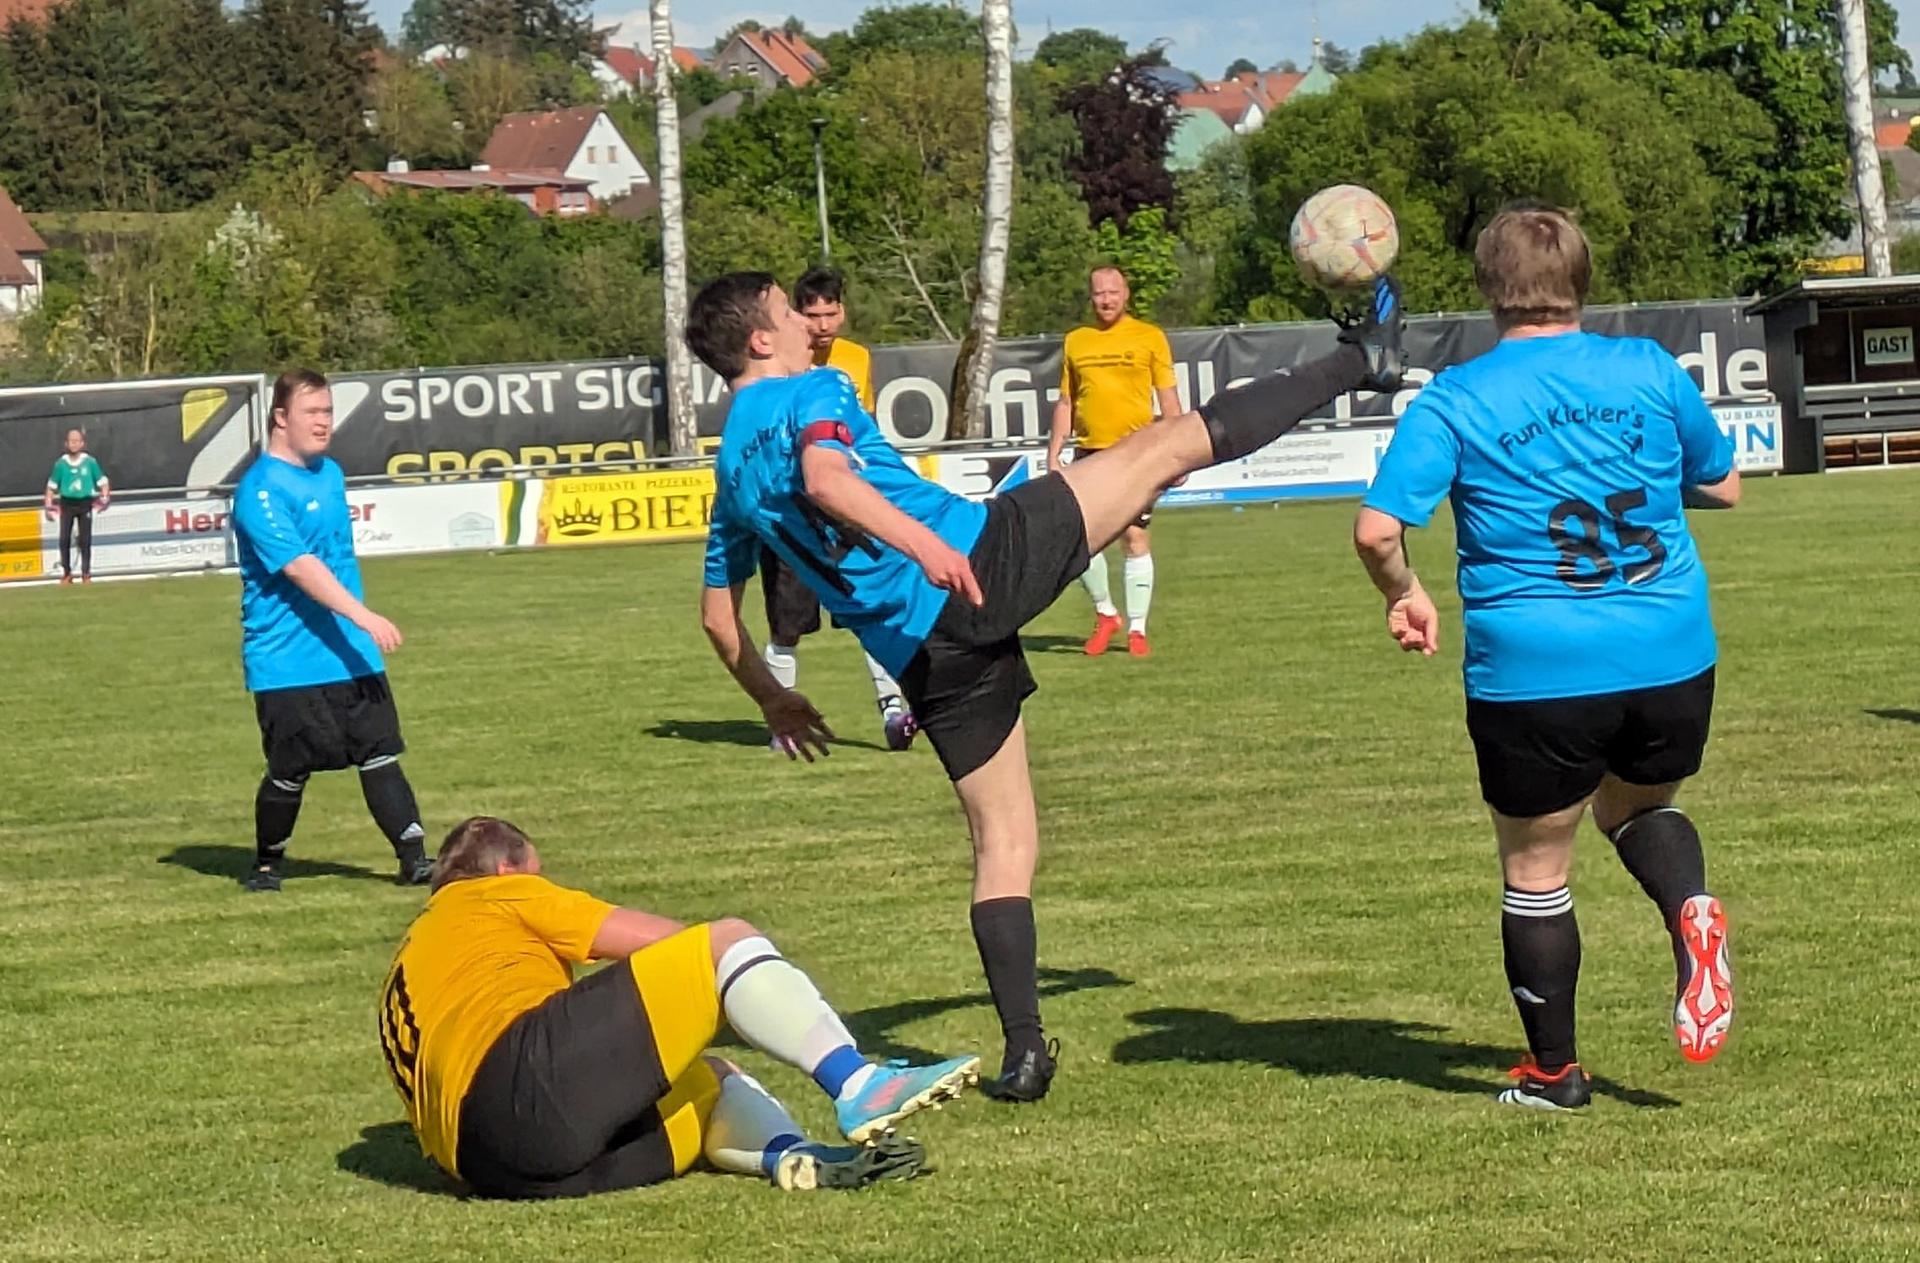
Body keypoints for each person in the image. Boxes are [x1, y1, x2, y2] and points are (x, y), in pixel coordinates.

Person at [689, 268, 1402, 1101]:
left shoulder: (729, 473)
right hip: (979, 557)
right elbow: (826, 479)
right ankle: (1363, 361)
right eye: (785, 308)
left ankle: (1024, 1049)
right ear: (761, 338)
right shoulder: (815, 386)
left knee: (1004, 843)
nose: (808, 319)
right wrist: (927, 547)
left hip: (925, 652)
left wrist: (772, 698)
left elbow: (715, 617)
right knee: (1162, 449)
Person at [1353, 201, 1738, 1111]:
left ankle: (1554, 1074)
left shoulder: (1457, 396)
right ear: (1582, 281)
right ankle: (1690, 912)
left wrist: (1405, 592)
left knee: (1536, 868)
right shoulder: (1647, 366)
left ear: (1489, 289)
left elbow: (1377, 532)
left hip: (1538, 665)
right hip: (1670, 648)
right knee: (1640, 806)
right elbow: (1722, 482)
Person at [378, 815, 978, 1198]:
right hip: (520, 1083)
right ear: (509, 868)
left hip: (488, 1168)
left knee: (712, 1080)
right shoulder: (497, 893)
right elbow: (670, 945)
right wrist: (747, 988)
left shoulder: (412, 960)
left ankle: (797, 1158)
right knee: (727, 941)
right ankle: (860, 1082)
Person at [231, 369, 434, 893]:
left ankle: (414, 860)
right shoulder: (259, 489)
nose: (324, 423)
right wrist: (363, 615)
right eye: (312, 413)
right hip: (286, 661)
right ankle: (267, 865)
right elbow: (300, 566)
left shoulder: (331, 473)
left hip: (350, 652)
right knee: (290, 769)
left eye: (328, 412)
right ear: (281, 418)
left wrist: (357, 628)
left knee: (380, 752)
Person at [755, 267, 917, 752]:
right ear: (797, 317)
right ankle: (783, 722)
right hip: (791, 507)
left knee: (872, 604)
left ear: (842, 312)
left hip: (845, 503)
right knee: (787, 624)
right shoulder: (779, 362)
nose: (822, 325)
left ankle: (893, 708)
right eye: (812, 314)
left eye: (830, 313)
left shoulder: (857, 360)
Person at [1048, 267, 1184, 657]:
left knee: (1135, 537)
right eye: (1098, 293)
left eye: (1113, 292)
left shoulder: (1149, 337)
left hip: (1139, 452)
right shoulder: (1077, 341)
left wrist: (1178, 454)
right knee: (1081, 541)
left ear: (1126, 294)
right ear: (1090, 297)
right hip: (1090, 453)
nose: (1106, 299)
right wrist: (1053, 452)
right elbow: (1066, 401)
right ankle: (1106, 613)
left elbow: (1168, 397)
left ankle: (1137, 629)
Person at [44, 428, 108, 584]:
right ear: (66, 443)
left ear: (82, 443)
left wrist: (104, 497)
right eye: (71, 441)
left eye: (76, 441)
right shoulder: (61, 464)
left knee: (85, 539)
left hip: (85, 503)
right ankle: (67, 573)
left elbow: (103, 482)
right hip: (67, 504)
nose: (73, 444)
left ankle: (86, 574)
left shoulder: (90, 462)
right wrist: (48, 504)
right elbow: (51, 486)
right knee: (64, 539)